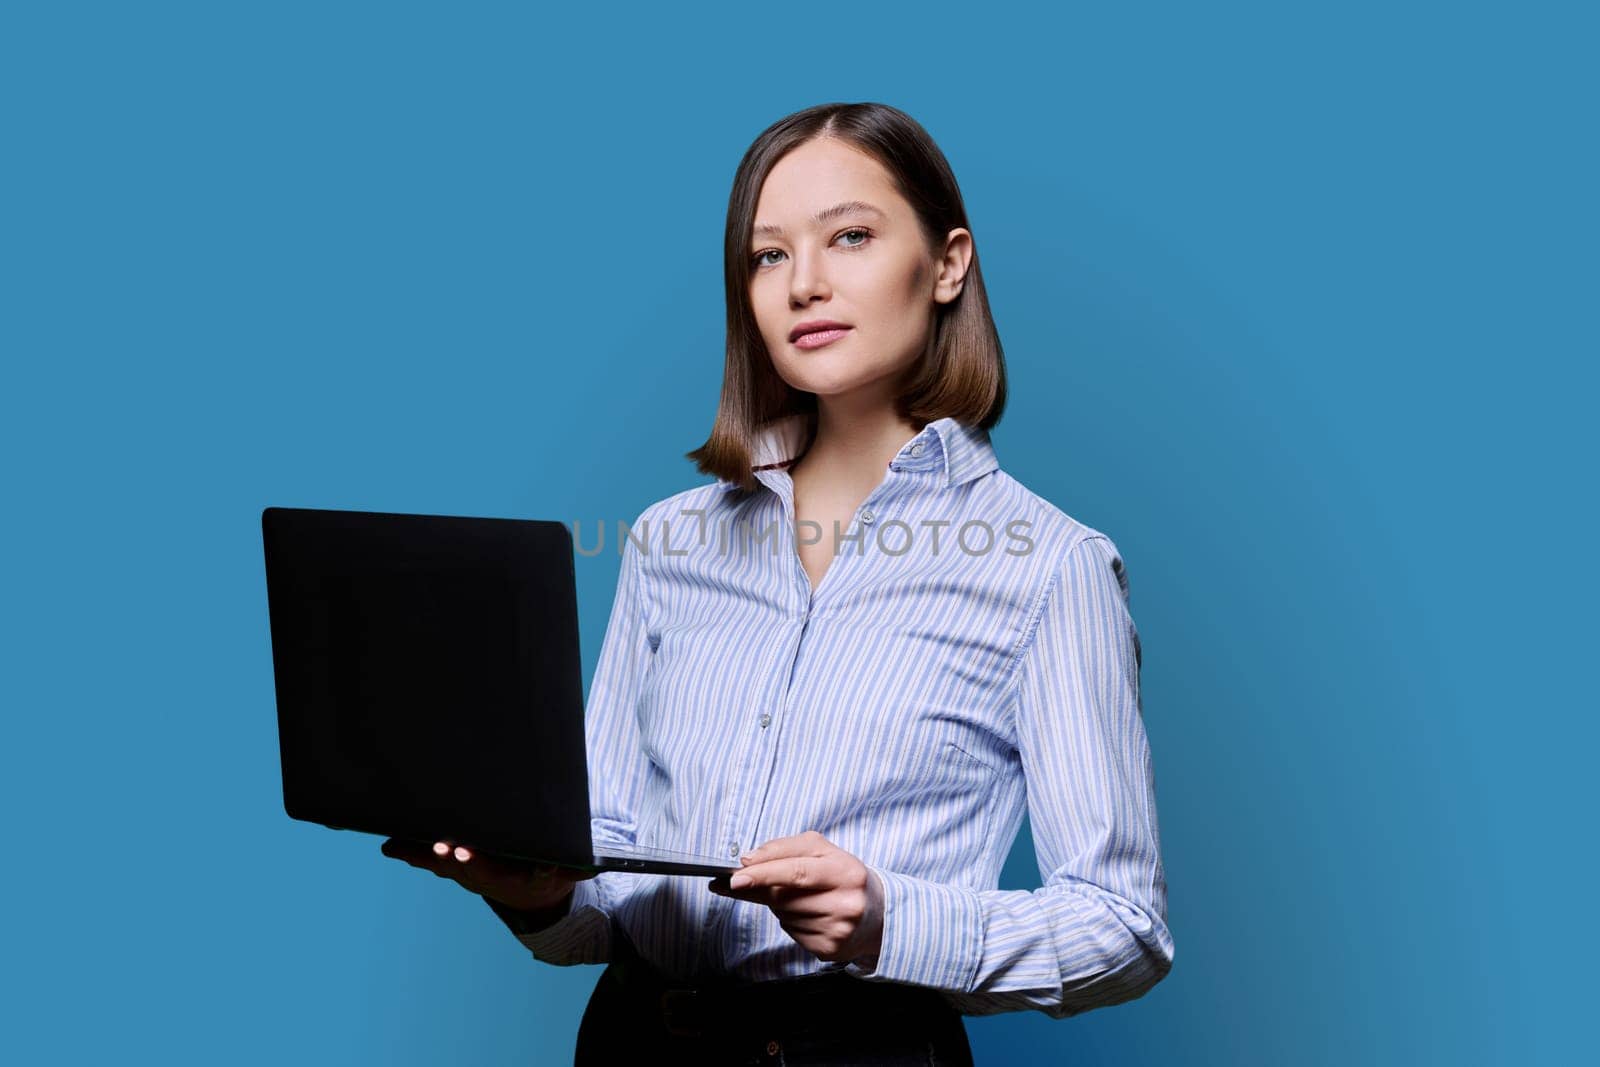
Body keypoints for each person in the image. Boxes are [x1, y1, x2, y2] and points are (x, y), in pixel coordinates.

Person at [381, 101, 1174, 1064]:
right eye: (767, 255)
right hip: (633, 1045)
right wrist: (539, 892)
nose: (805, 284)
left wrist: (892, 921)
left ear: (949, 264)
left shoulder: (1052, 566)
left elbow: (1123, 928)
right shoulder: (670, 541)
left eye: (850, 236)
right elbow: (605, 892)